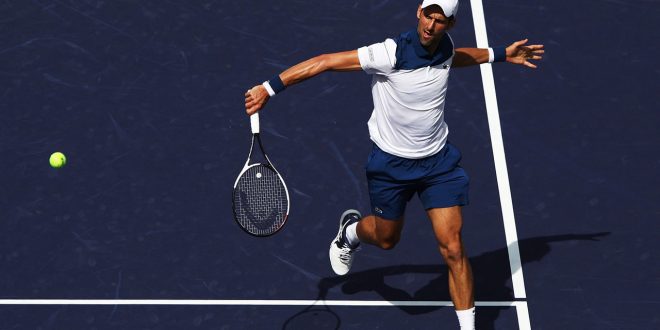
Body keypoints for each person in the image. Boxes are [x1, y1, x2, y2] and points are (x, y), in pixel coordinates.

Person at [244, 0, 544, 328]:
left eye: (440, 20)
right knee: (387, 240)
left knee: (454, 249)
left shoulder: (444, 46)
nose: (431, 25)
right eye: (428, 15)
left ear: (450, 25)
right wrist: (268, 88)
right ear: (419, 12)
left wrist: (501, 54)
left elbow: (454, 58)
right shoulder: (390, 53)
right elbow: (326, 62)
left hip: (438, 165)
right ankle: (350, 233)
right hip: (391, 167)